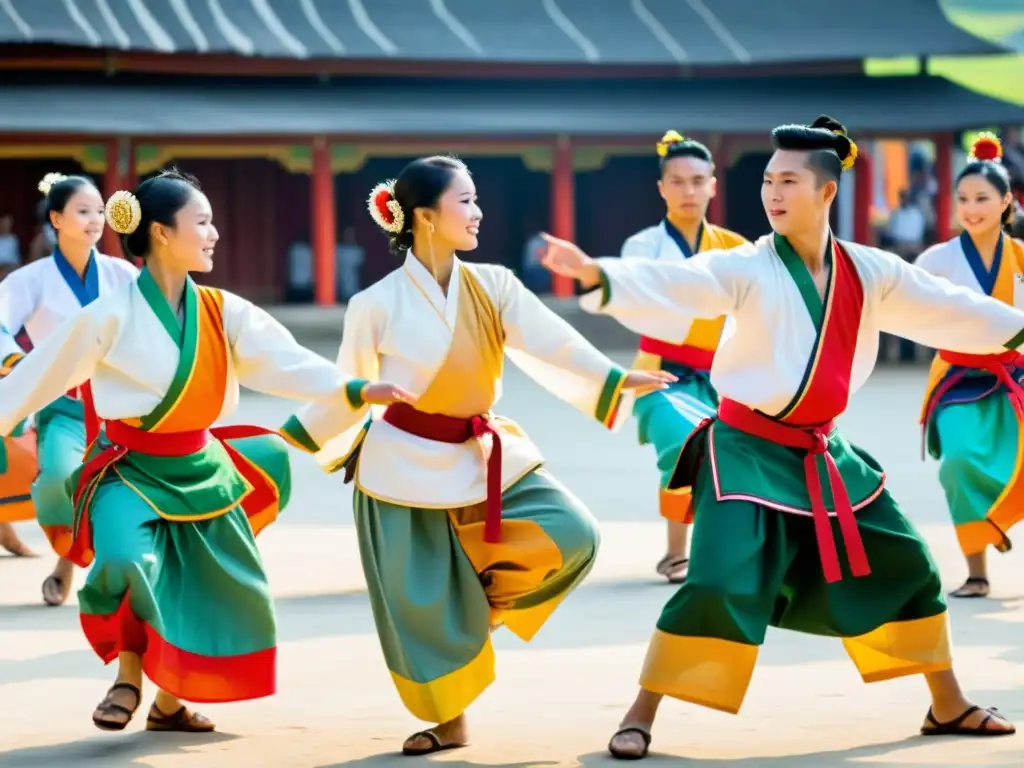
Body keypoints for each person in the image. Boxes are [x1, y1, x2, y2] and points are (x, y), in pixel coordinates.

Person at [542, 115, 1019, 760]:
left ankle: (947, 702)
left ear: (826, 193)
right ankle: (640, 711)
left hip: (824, 452)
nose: (772, 193)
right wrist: (601, 276)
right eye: (768, 180)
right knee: (713, 580)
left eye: (788, 181)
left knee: (910, 563)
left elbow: (948, 306)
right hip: (745, 450)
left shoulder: (869, 270)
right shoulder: (744, 264)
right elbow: (685, 283)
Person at [279, 155, 673, 756]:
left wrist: (615, 377)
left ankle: (476, 620)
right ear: (424, 217)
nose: (478, 211)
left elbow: (552, 342)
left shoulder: (494, 284)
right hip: (399, 466)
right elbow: (347, 388)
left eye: (475, 199)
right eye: (464, 200)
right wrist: (291, 438)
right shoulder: (375, 304)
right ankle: (449, 721)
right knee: (419, 605)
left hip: (482, 452)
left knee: (573, 533)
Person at [0, 169, 411, 734]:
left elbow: (285, 361)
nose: (214, 233)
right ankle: (127, 677)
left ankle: (168, 706)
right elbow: (40, 376)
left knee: (222, 591)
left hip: (201, 470)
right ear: (164, 234)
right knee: (124, 562)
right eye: (202, 222)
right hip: (130, 469)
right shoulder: (110, 314)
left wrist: (357, 389)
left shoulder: (223, 310)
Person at [0, 173, 138, 604]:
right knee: (60, 478)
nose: (95, 219)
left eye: (100, 211)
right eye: (83, 211)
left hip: (119, 404)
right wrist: (17, 363)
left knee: (120, 488)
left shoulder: (121, 274)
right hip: (64, 405)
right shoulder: (32, 279)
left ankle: (71, 566)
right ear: (56, 219)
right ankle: (70, 553)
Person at [621, 130, 747, 583]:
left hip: (722, 374)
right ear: (661, 188)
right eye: (677, 181)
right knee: (684, 443)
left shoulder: (736, 248)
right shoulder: (641, 247)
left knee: (733, 456)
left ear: (714, 184)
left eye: (698, 181)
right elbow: (643, 307)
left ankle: (715, 551)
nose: (688, 191)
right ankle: (677, 552)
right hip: (660, 373)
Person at [915, 133, 1024, 598]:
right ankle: (976, 570)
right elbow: (906, 306)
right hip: (958, 380)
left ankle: (997, 519)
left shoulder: (1021, 257)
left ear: (1006, 202)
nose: (971, 207)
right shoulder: (937, 260)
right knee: (957, 463)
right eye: (963, 199)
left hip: (1013, 377)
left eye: (982, 198)